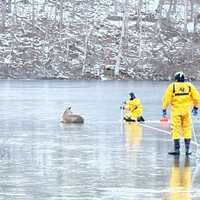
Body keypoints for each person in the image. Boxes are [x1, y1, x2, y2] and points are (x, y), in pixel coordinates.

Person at [162, 71, 200, 156]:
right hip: (187, 111)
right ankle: (187, 149)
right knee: (187, 128)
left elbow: (166, 98)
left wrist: (164, 109)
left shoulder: (172, 86)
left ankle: (177, 149)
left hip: (176, 111)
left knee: (175, 129)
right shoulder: (189, 86)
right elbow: (197, 97)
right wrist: (196, 107)